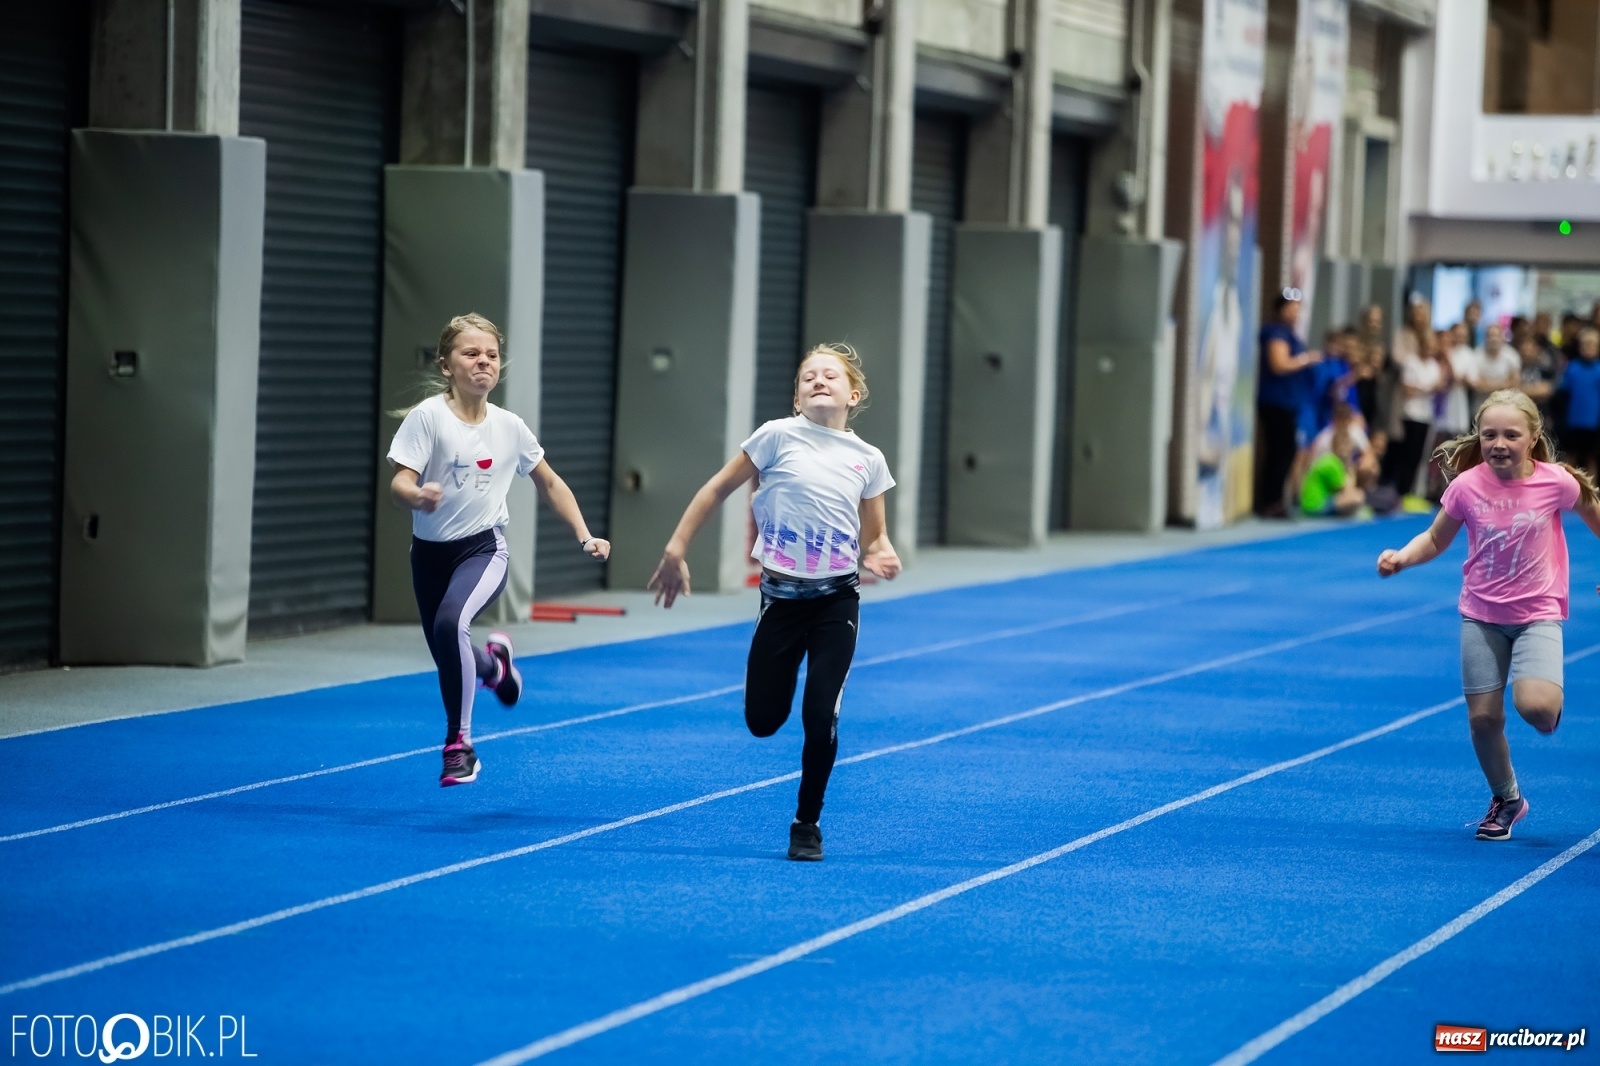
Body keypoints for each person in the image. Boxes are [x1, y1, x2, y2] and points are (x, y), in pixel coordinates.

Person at [647, 343, 901, 862]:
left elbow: (874, 536)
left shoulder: (867, 459)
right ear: (796, 396)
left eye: (830, 375)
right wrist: (676, 548)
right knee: (763, 720)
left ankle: (807, 823)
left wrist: (882, 552)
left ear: (852, 394)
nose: (818, 381)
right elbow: (715, 489)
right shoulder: (776, 436)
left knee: (819, 714)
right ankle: (774, 698)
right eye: (808, 376)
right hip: (781, 603)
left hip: (836, 603)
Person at [388, 313, 611, 786]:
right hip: (428, 555)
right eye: (471, 354)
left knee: (451, 623)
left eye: (491, 355)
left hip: (482, 550)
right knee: (449, 648)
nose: (483, 362)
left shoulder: (510, 426)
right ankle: (495, 666)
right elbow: (399, 484)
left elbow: (550, 483)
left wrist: (584, 534)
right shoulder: (428, 418)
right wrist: (416, 494)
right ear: (446, 364)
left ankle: (459, 746)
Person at [1377, 390, 1600, 840]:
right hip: (1480, 615)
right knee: (1483, 719)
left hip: (1538, 612)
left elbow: (1594, 511)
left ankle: (1546, 697)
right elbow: (1436, 538)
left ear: (1533, 437)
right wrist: (1402, 557)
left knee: (1535, 709)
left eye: (1511, 435)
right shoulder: (1467, 486)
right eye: (1489, 435)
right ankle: (1508, 798)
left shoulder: (1555, 481)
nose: (1499, 443)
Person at [1255, 290, 1323, 517]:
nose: (1295, 312)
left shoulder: (1290, 334)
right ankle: (1271, 501)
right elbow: (1279, 364)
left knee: (1283, 451)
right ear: (1279, 310)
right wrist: (1307, 359)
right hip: (1276, 402)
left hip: (1287, 402)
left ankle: (1274, 500)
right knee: (1282, 451)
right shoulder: (1276, 333)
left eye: (1297, 308)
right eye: (1291, 307)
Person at [1380, 298, 1445, 507]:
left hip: (1425, 414)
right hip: (1407, 410)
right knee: (1401, 451)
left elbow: (1440, 382)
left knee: (1418, 455)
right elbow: (1407, 381)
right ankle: (1394, 492)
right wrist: (1425, 388)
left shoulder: (1433, 364)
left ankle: (1409, 492)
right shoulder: (1408, 353)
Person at [1299, 402, 1377, 517]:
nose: (1346, 450)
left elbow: (1368, 455)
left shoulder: (1336, 460)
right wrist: (1350, 471)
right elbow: (1345, 488)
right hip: (1314, 506)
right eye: (1342, 446)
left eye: (1347, 446)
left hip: (1321, 496)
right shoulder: (1330, 458)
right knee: (1357, 496)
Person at [1558, 325, 1600, 479]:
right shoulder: (1572, 368)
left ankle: (1592, 493)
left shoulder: (1598, 369)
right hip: (1573, 422)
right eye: (1585, 344)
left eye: (1592, 344)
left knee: (1592, 458)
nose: (1588, 348)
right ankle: (1569, 488)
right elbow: (1563, 392)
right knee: (1571, 457)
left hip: (1594, 424)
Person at [1470, 323, 1520, 410]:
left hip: (1506, 406)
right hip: (1481, 407)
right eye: (1490, 336)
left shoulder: (1512, 356)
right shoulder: (1476, 356)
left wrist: (1487, 383)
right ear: (1485, 338)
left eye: (1497, 336)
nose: (1493, 339)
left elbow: (1515, 384)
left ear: (1502, 337)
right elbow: (1477, 385)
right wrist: (1504, 384)